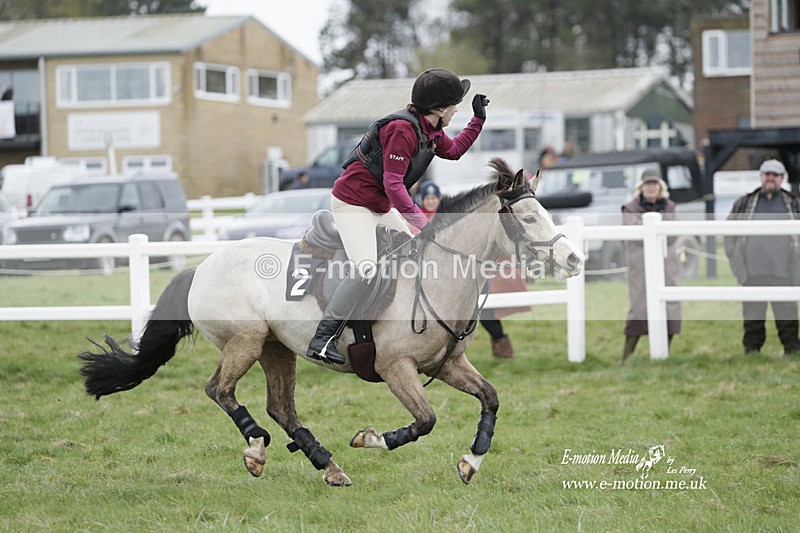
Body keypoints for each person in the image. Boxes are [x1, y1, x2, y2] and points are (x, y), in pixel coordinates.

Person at [305, 68, 490, 364]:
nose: (457, 110)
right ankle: (322, 339)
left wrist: (477, 120)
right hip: (353, 204)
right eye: (455, 105)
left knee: (413, 254)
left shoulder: (429, 130)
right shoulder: (402, 130)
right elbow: (393, 184)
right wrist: (423, 223)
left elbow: (454, 151)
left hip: (378, 206)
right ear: (440, 109)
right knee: (366, 268)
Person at [415, 180, 523, 359]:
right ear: (423, 200)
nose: (432, 201)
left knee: (482, 307)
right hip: (436, 277)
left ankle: (501, 343)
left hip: (464, 273)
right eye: (428, 198)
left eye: (435, 197)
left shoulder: (451, 217)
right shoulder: (418, 219)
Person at [724, 159, 800, 356]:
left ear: (782, 178)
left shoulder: (793, 203)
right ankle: (752, 351)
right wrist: (734, 260)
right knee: (752, 315)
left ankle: (791, 350)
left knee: (787, 315)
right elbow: (728, 232)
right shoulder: (745, 202)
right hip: (751, 271)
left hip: (785, 271)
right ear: (761, 177)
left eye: (775, 175)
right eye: (767, 174)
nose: (771, 178)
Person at [620, 169, 682, 364]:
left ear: (660, 187)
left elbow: (671, 234)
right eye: (647, 184)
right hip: (640, 265)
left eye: (654, 184)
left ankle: (663, 354)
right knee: (639, 307)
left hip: (666, 264)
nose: (651, 187)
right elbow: (634, 233)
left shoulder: (670, 206)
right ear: (641, 187)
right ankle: (626, 358)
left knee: (670, 306)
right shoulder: (630, 207)